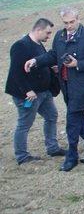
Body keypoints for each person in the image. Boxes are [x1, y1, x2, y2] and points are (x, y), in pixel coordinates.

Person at [25, 8, 84, 172]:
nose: (69, 26)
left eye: (72, 22)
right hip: (67, 86)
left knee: (72, 122)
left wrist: (79, 64)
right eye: (66, 23)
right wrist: (36, 60)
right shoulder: (60, 36)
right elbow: (53, 55)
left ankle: (72, 157)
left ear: (78, 19)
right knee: (79, 119)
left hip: (83, 87)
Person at [5, 18, 66, 165]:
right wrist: (27, 90)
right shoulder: (20, 46)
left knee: (51, 116)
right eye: (47, 32)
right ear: (38, 30)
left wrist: (52, 70)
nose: (49, 36)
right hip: (28, 95)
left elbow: (40, 64)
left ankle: (52, 148)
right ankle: (22, 156)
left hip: (44, 92)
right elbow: (15, 72)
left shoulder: (39, 44)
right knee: (25, 123)